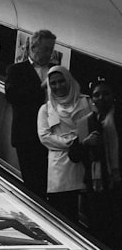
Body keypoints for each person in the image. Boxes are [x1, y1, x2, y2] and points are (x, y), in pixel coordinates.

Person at [6, 30, 57, 197]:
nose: (49, 53)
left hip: (51, 134)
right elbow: (12, 96)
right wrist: (40, 88)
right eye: (46, 49)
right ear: (33, 48)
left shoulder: (54, 71)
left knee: (48, 181)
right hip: (27, 135)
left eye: (51, 49)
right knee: (32, 182)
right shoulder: (16, 70)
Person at [38, 66, 91, 222]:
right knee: (61, 210)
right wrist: (72, 141)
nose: (58, 86)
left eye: (61, 81)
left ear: (69, 80)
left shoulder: (85, 102)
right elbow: (45, 137)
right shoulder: (46, 109)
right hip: (59, 167)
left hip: (82, 162)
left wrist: (79, 142)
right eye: (53, 83)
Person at [77, 79, 122, 250]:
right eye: (97, 95)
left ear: (114, 97)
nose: (101, 98)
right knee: (97, 229)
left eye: (106, 94)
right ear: (91, 99)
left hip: (117, 187)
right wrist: (86, 143)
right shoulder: (86, 123)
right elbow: (74, 155)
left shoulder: (118, 121)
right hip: (95, 188)